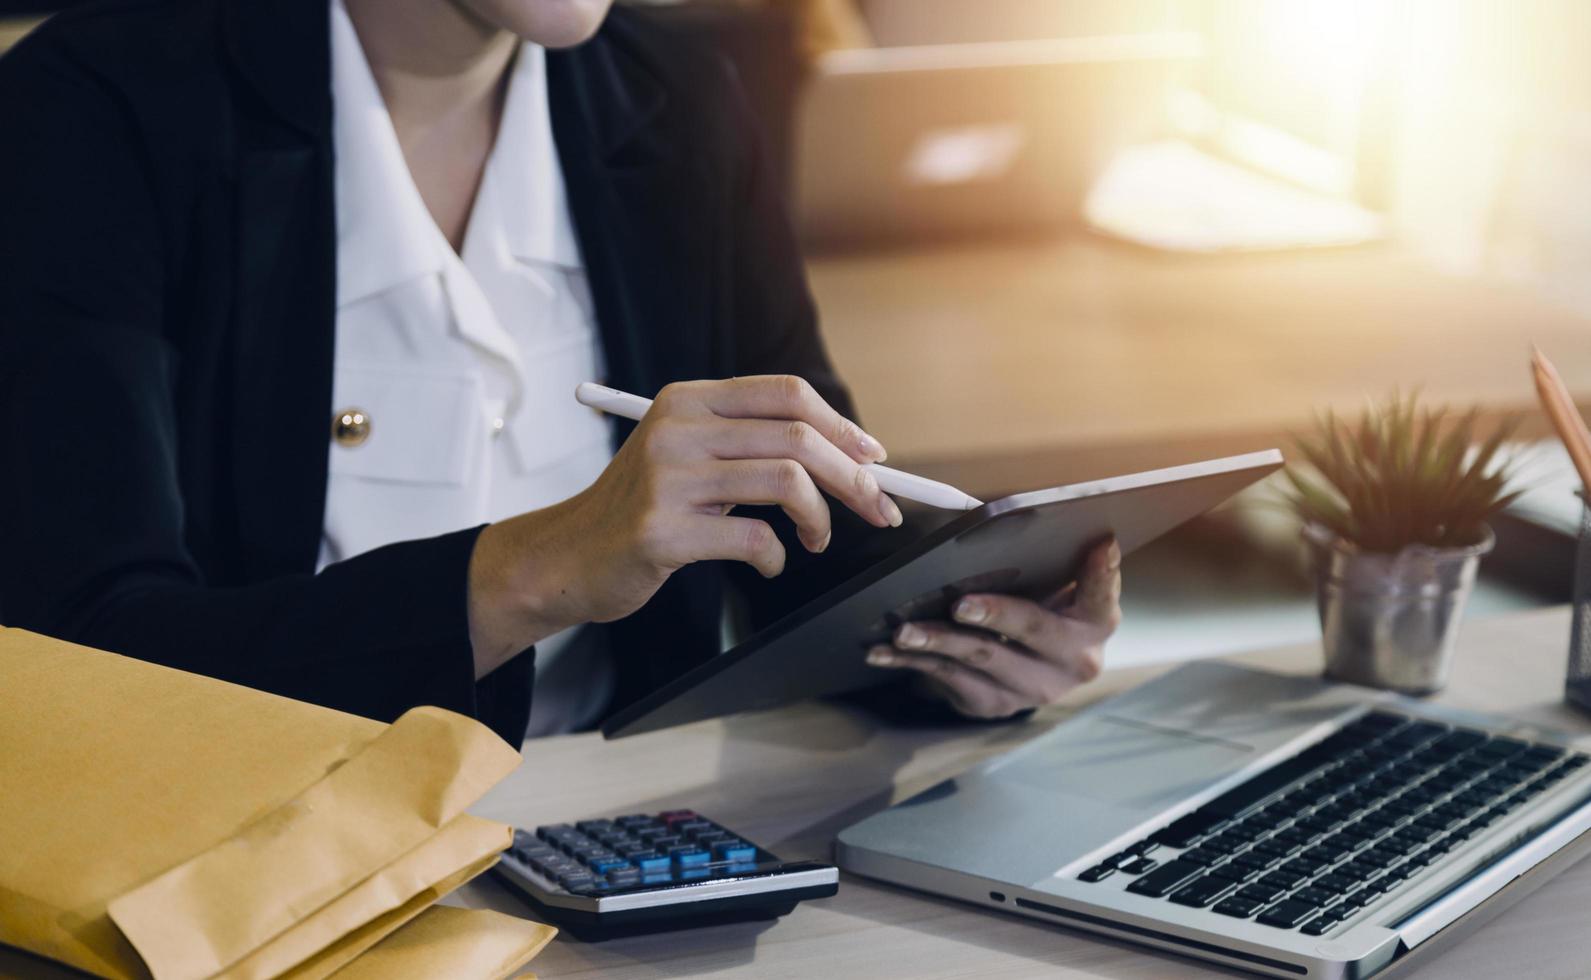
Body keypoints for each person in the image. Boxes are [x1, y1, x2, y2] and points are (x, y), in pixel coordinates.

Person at [0, 0, 1121, 744]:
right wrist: (533, 572)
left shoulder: (680, 96)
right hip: (259, 879)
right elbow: (86, 667)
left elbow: (814, 547)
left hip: (616, 866)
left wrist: (961, 636)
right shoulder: (94, 110)